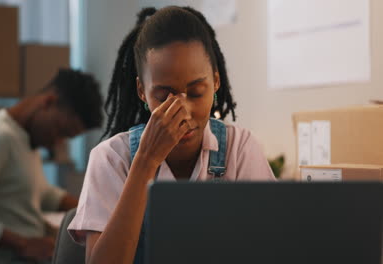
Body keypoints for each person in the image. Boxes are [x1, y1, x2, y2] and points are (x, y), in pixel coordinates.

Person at [68, 6, 276, 264]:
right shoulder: (111, 158)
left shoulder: (240, 148)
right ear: (142, 91)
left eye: (197, 92)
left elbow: (271, 248)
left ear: (216, 82)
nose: (183, 111)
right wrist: (145, 162)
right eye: (164, 96)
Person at [0, 68, 103, 264]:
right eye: (60, 131)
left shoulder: (25, 138)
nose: (56, 143)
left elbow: (40, 193)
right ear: (48, 102)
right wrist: (23, 244)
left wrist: (93, 210)